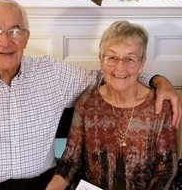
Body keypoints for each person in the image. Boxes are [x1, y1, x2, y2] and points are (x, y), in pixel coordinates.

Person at [0, 0, 180, 190]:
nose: (5, 41)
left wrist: (157, 80)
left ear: (27, 36)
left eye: (15, 30)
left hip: (41, 183)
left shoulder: (52, 74)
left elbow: (111, 75)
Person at [46, 21, 178, 190]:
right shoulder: (87, 102)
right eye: (112, 58)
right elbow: (70, 160)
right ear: (101, 60)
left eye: (130, 59)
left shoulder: (159, 106)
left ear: (142, 63)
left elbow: (167, 170)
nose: (120, 67)